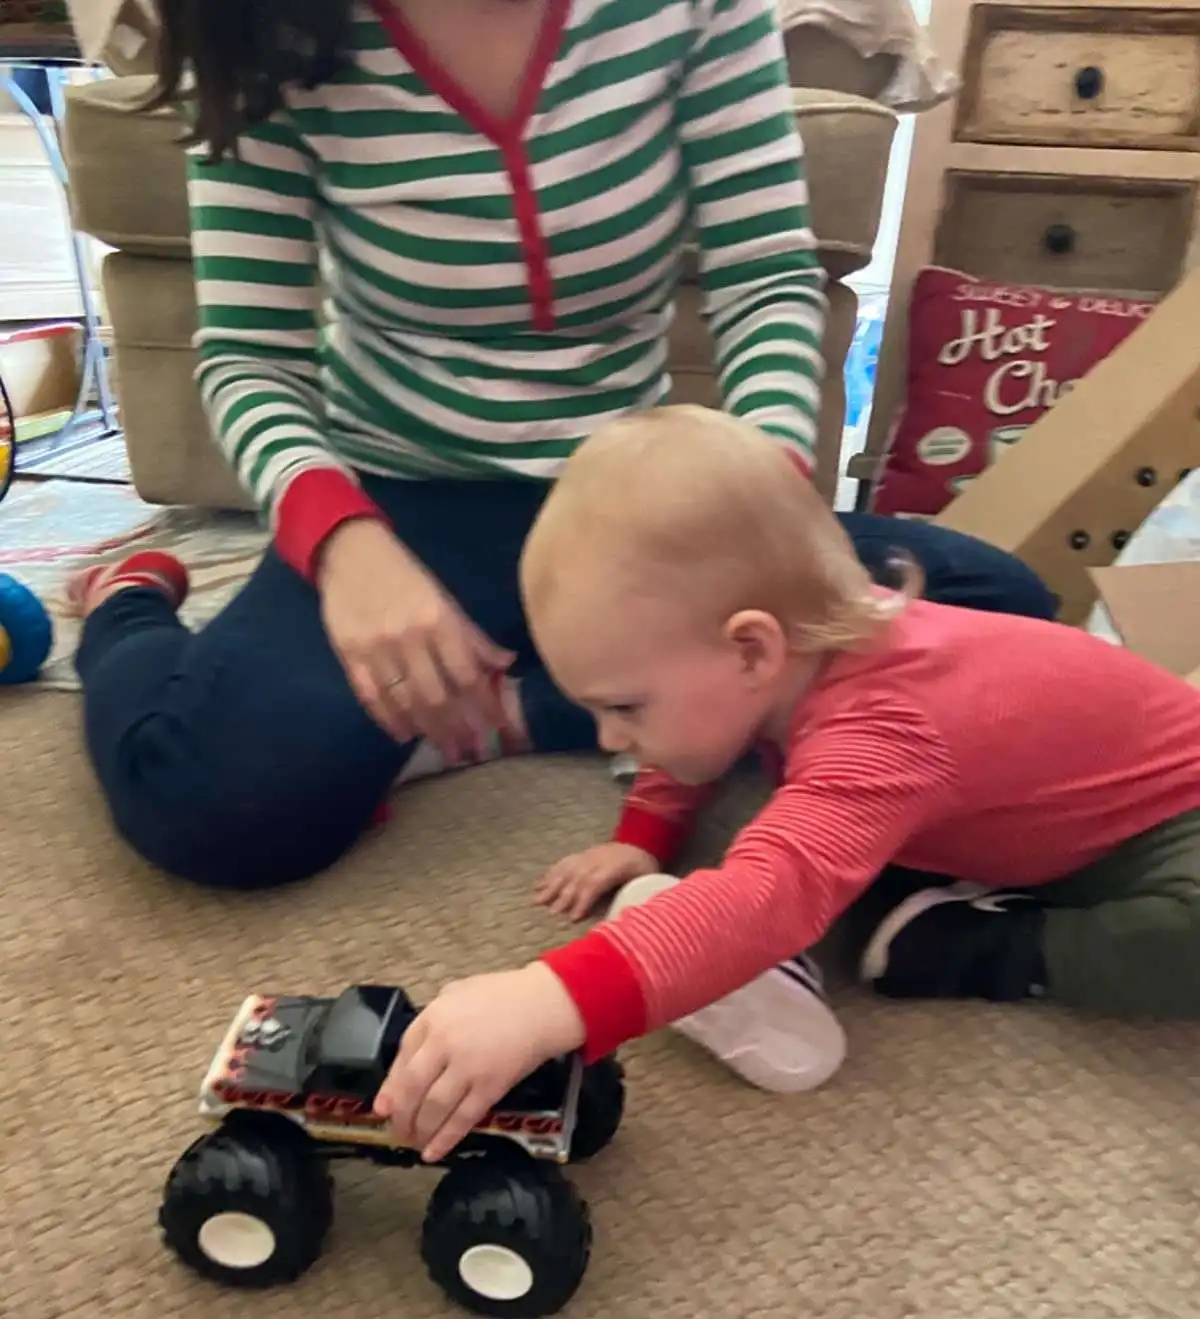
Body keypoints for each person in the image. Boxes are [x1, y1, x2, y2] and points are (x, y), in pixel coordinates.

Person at [70, 0, 1056, 893]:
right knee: (210, 809)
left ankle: (502, 711)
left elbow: (765, 281)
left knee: (1000, 610)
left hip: (635, 505)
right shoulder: (260, 29)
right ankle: (128, 606)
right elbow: (251, 357)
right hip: (403, 507)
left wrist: (763, 499)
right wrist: (346, 549)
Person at [373, 406, 1200, 1163]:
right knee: (803, 832)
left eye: (623, 707)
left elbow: (772, 888)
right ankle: (795, 944)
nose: (609, 739)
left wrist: (549, 1000)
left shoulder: (883, 725)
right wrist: (644, 836)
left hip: (1162, 819)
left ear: (753, 650)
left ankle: (977, 944)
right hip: (1003, 815)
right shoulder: (796, 647)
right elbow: (694, 743)